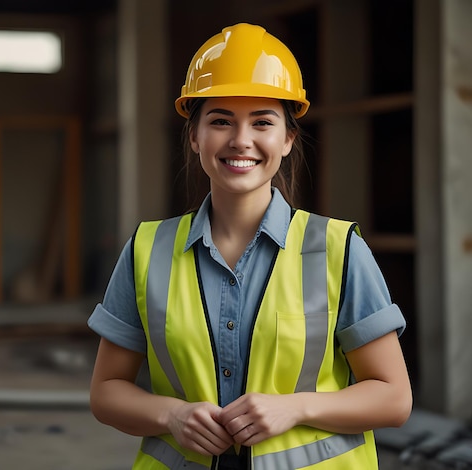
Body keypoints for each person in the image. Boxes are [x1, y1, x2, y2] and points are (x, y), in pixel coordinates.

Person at [88, 23, 413, 469]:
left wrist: (296, 407)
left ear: (287, 138)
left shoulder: (338, 249)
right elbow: (106, 391)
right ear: (195, 136)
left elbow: (394, 398)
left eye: (262, 121)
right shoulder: (148, 249)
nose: (241, 140)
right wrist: (172, 414)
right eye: (220, 120)